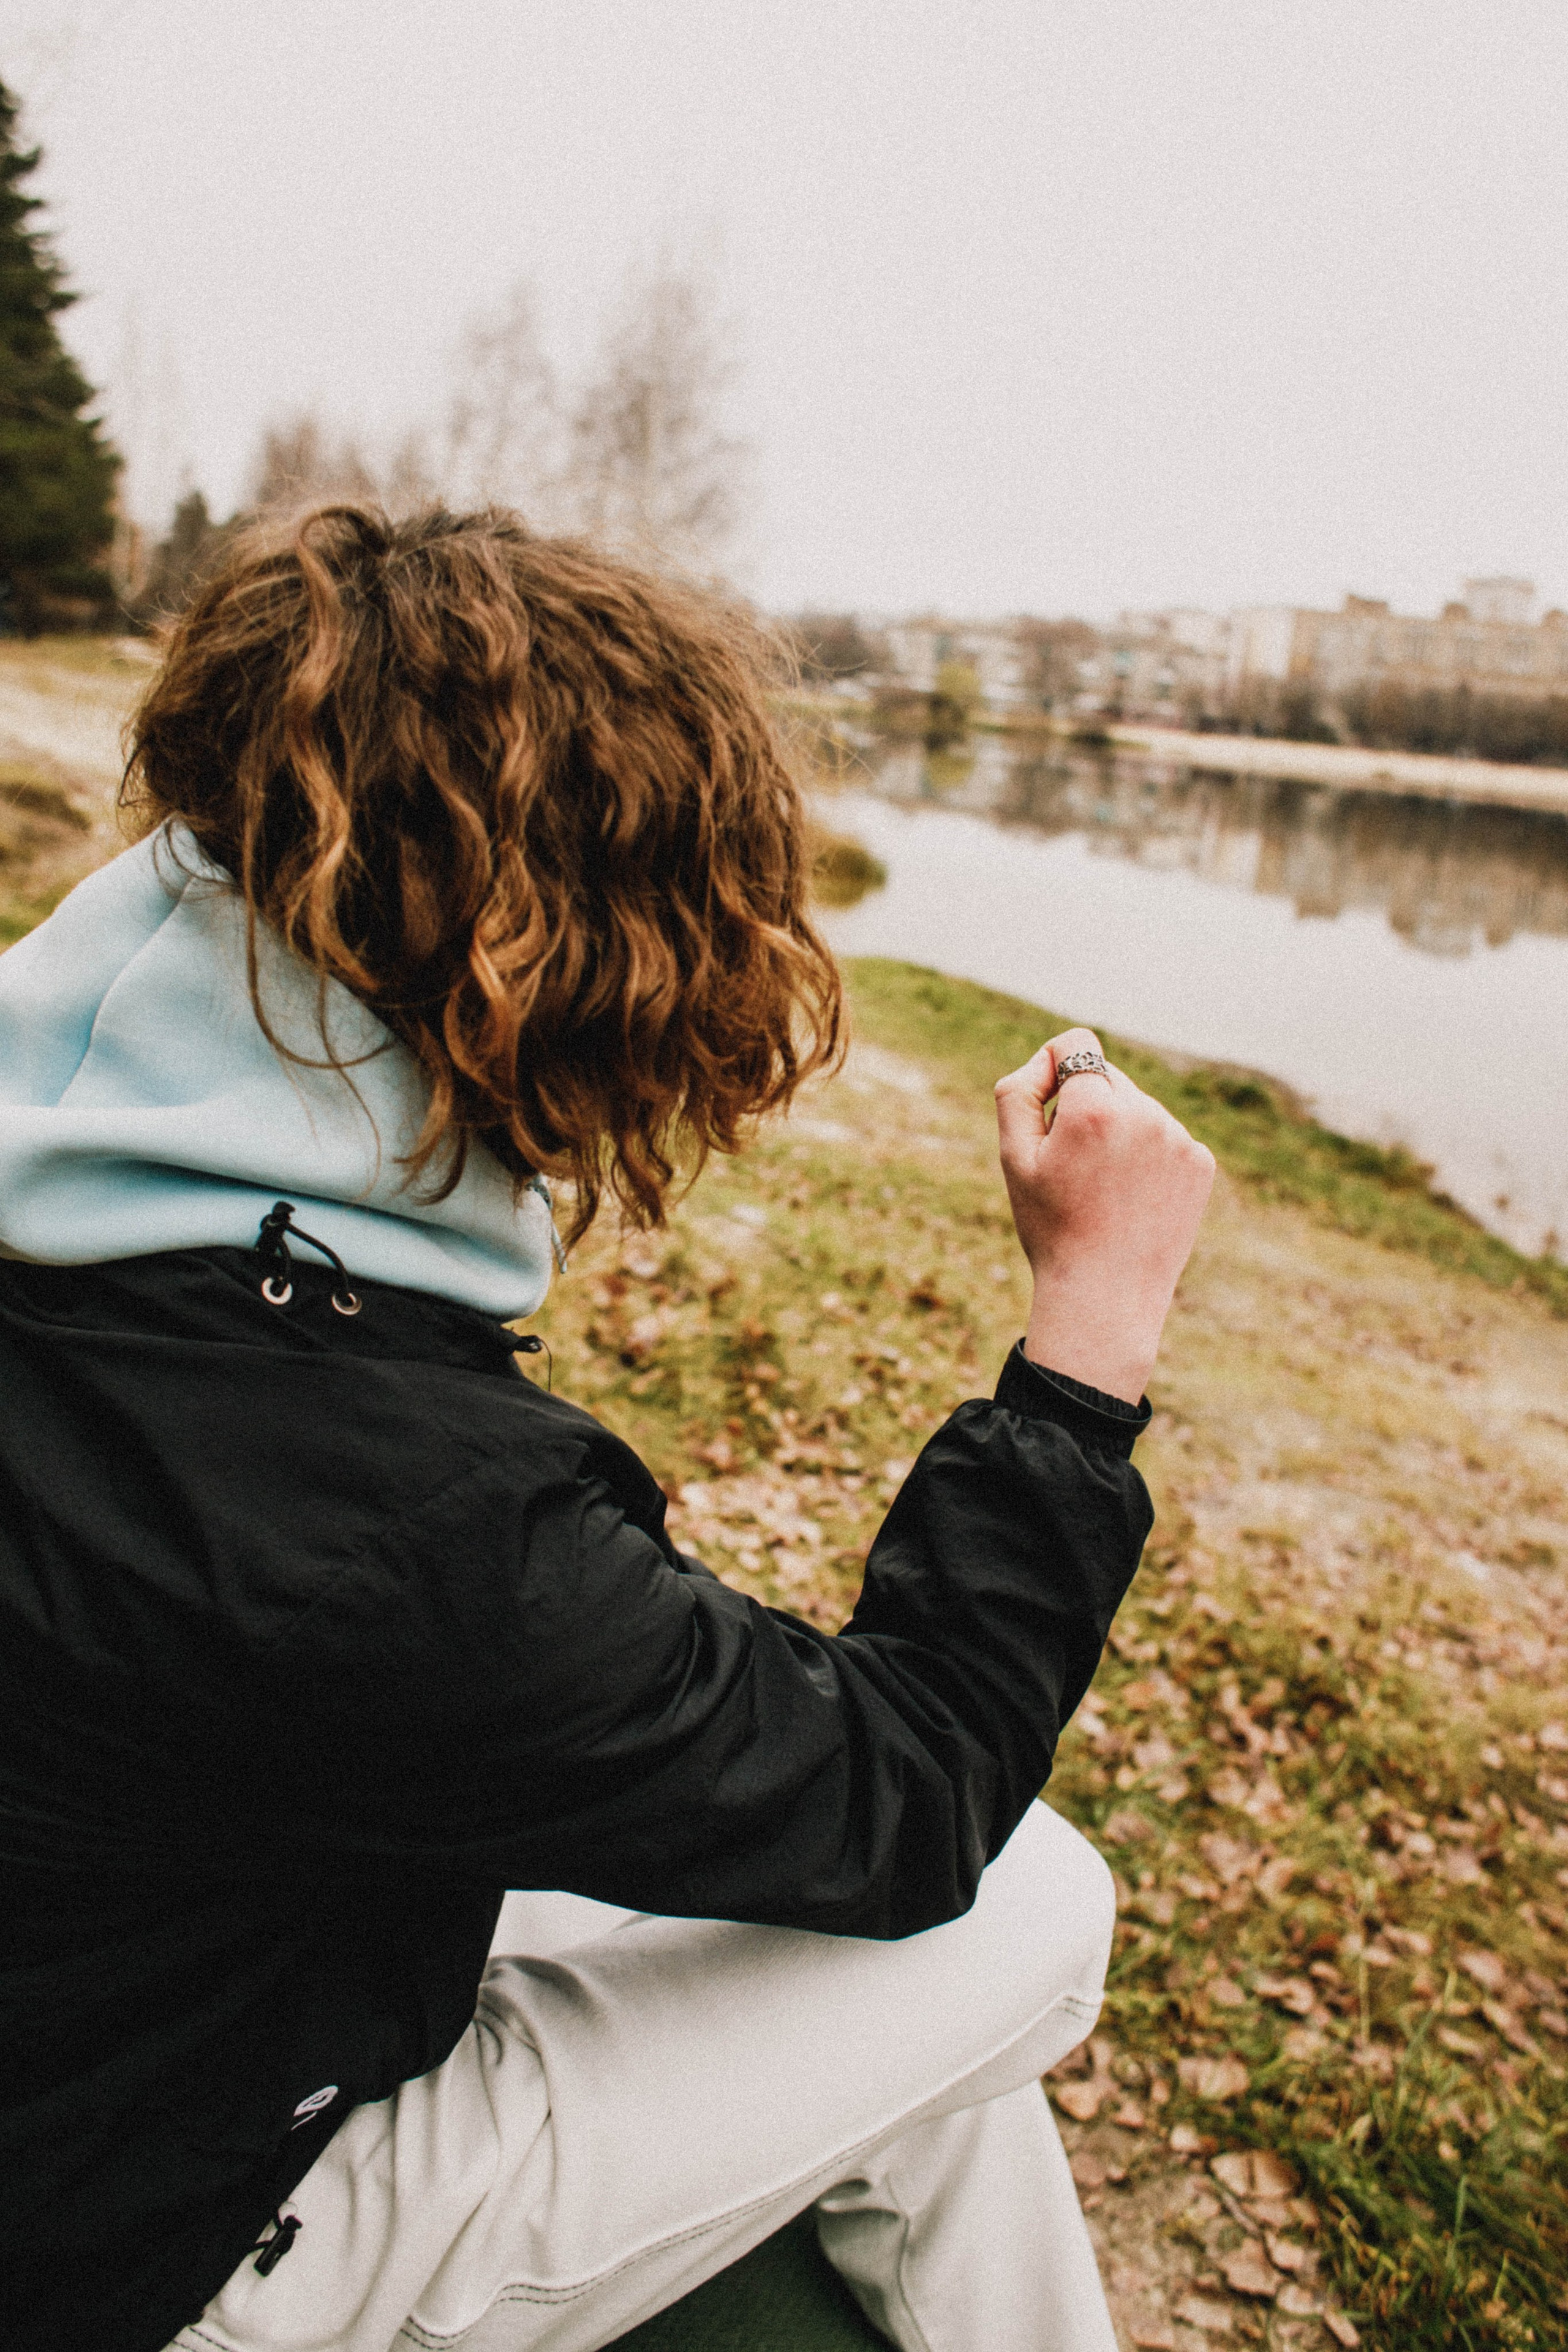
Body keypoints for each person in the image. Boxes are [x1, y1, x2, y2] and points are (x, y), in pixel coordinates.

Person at [0, 505, 1214, 2352]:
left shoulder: (88, 1192)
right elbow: (912, 1796)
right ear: (579, 956)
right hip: (144, 2246)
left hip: (154, 1937)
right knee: (1020, 1901)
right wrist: (1094, 1326)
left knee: (938, 2100)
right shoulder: (400, 1516)